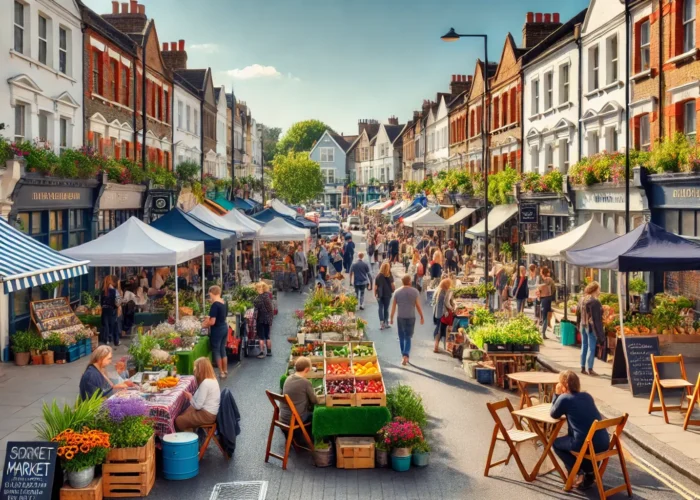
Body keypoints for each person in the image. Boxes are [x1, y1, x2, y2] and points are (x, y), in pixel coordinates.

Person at [551, 371, 610, 491]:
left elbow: (554, 414)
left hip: (587, 444)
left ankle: (577, 472)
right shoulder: (587, 396)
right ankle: (589, 473)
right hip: (603, 443)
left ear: (564, 385)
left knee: (556, 443)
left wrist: (557, 394)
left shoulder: (564, 398)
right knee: (584, 440)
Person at [176, 357, 220, 432]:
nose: (194, 370)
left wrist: (190, 397)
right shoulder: (212, 379)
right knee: (186, 411)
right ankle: (191, 434)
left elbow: (198, 406)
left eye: (196, 368)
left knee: (179, 420)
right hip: (210, 412)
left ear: (200, 369)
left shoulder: (205, 383)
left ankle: (188, 440)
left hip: (207, 415)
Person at [390, 275, 424, 366]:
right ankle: (406, 355)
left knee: (401, 336)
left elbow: (393, 306)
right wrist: (421, 316)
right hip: (411, 316)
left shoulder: (397, 292)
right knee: (408, 336)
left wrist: (391, 317)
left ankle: (403, 355)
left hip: (400, 316)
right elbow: (417, 305)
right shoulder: (415, 292)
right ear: (409, 281)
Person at [280, 357, 318, 432]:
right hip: (296, 419)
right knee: (317, 415)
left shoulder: (288, 378)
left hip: (283, 417)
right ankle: (309, 438)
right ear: (307, 369)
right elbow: (314, 400)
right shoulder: (305, 382)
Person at [201, 285, 229, 378]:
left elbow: (212, 322)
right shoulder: (223, 302)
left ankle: (221, 372)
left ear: (212, 293)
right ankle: (225, 370)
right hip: (224, 327)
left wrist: (204, 324)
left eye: (210, 295)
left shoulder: (215, 305)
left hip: (217, 330)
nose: (210, 297)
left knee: (216, 350)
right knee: (223, 349)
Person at [577, 281, 604, 376]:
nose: (599, 291)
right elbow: (596, 318)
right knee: (591, 347)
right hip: (590, 326)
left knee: (584, 345)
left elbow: (578, 313)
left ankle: (582, 366)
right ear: (595, 290)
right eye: (598, 289)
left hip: (582, 325)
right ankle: (590, 368)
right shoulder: (595, 302)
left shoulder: (582, 299)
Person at [432, 278, 455, 353]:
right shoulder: (445, 291)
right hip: (443, 313)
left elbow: (433, 301)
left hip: (437, 313)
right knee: (441, 330)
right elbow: (446, 303)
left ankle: (436, 345)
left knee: (439, 328)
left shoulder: (437, 290)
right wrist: (452, 308)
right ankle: (436, 345)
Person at [253, 282, 275, 358]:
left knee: (261, 337)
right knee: (267, 336)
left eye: (259, 288)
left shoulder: (258, 299)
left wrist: (254, 318)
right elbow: (271, 310)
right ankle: (269, 352)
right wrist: (271, 319)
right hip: (267, 319)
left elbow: (256, 311)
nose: (258, 289)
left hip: (260, 319)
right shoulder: (267, 296)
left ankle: (262, 353)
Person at [100, 275, 121, 346]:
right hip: (112, 310)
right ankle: (116, 341)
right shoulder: (115, 291)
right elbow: (118, 302)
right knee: (115, 324)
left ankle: (106, 340)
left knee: (106, 325)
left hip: (104, 310)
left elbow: (101, 302)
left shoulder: (103, 291)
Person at [374, 262, 395, 330]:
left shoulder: (378, 276)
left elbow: (375, 287)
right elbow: (392, 285)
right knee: (386, 309)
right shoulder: (390, 275)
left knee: (380, 308)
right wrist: (393, 289)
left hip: (380, 294)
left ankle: (381, 323)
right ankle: (386, 323)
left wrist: (375, 294)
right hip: (387, 294)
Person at [537, 266, 555, 339]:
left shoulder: (544, 279)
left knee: (543, 316)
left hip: (543, 299)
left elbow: (540, 288)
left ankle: (542, 333)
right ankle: (543, 333)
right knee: (545, 316)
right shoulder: (548, 279)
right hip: (547, 299)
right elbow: (552, 288)